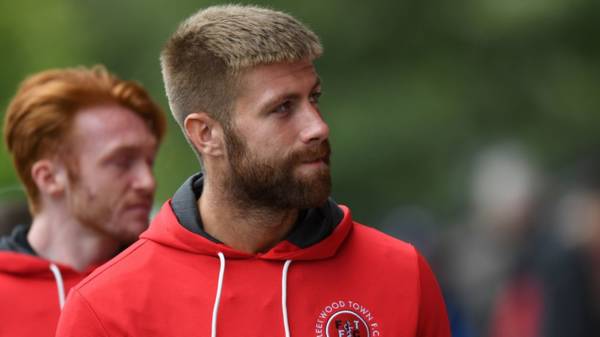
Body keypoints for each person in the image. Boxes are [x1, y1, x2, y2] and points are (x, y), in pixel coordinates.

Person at [56, 5, 451, 337]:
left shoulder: (402, 274)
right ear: (206, 134)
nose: (318, 127)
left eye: (314, 98)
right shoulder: (105, 310)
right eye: (283, 108)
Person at [0, 66, 166, 337]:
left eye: (150, 161)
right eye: (122, 162)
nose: (148, 181)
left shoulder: (168, 287)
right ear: (49, 177)